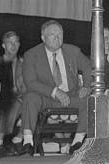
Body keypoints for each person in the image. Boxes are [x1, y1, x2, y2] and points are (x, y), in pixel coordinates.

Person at [21, 20, 92, 156]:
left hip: (71, 96)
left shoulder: (73, 51)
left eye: (60, 34)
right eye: (52, 34)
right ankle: (28, 142)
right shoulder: (31, 55)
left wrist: (87, 86)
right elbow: (30, 82)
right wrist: (54, 92)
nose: (57, 37)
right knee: (30, 97)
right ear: (43, 37)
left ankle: (77, 142)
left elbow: (89, 67)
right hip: (47, 97)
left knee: (90, 100)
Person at [0, 31, 25, 156]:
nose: (13, 45)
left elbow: (27, 83)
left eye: (16, 42)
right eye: (10, 42)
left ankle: (19, 138)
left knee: (32, 102)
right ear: (3, 45)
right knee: (12, 102)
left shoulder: (24, 63)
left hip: (20, 98)